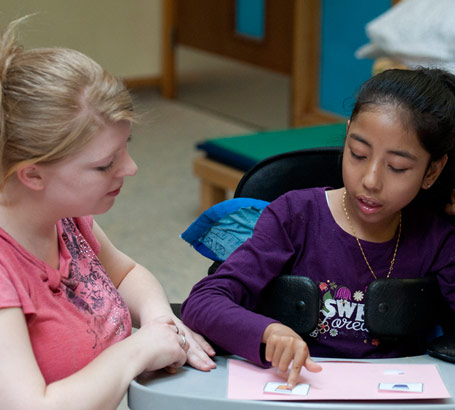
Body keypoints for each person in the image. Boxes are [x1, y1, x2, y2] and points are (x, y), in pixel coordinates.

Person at [181, 67, 455, 389]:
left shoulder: (436, 238)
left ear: (432, 171)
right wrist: (267, 332)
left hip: (391, 395)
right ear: (348, 132)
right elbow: (203, 302)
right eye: (358, 154)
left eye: (397, 168)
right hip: (294, 388)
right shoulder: (294, 215)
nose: (370, 180)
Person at [0, 17, 215, 410]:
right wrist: (138, 350)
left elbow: (128, 275)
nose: (131, 168)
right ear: (32, 174)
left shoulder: (64, 218)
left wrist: (157, 320)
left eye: (126, 147)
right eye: (105, 164)